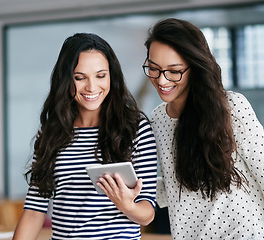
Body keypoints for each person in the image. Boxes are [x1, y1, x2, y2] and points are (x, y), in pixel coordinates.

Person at [13, 33, 157, 240]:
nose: (91, 87)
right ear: (66, 79)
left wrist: (126, 205)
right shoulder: (51, 132)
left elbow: (147, 214)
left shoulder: (135, 128)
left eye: (100, 76)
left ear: (111, 76)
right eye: (80, 77)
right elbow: (35, 210)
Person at [143, 18, 264, 239]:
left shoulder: (232, 107)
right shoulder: (158, 119)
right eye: (153, 68)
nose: (162, 80)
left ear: (195, 67)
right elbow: (177, 185)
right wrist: (133, 187)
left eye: (174, 70)